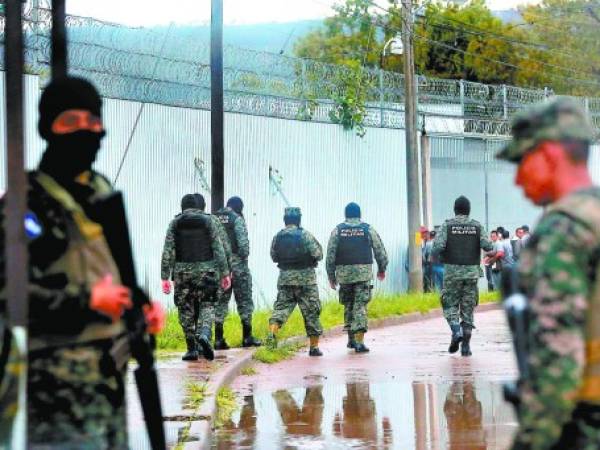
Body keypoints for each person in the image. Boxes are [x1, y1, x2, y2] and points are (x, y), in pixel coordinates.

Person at [0, 77, 165, 448]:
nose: (85, 131)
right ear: (48, 128)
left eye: (93, 121)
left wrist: (139, 307)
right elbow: (10, 297)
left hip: (109, 377)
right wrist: (87, 301)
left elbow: (114, 273)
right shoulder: (28, 202)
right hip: (55, 388)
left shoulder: (100, 191)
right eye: (70, 122)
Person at [499, 98, 600, 449]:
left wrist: (532, 441)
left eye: (522, 160)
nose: (517, 178)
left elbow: (558, 357)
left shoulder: (563, 230)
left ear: (550, 154)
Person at [161, 193, 231, 361]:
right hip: (207, 270)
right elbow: (218, 248)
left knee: (185, 309)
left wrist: (164, 276)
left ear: (182, 207)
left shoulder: (175, 223)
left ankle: (191, 349)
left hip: (182, 273)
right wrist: (225, 273)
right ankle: (205, 334)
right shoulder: (208, 221)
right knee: (207, 305)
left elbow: (168, 251)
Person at [432, 196, 493, 357]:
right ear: (469, 209)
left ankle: (455, 330)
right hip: (472, 274)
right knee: (468, 307)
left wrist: (436, 257)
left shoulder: (447, 225)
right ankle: (466, 346)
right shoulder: (477, 226)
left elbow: (438, 246)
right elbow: (489, 246)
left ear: (455, 209)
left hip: (452, 273)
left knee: (450, 304)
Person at [326, 202, 388, 353]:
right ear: (360, 214)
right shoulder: (367, 229)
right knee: (360, 306)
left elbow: (330, 256)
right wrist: (381, 268)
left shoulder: (337, 231)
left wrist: (331, 276)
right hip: (363, 274)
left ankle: (351, 339)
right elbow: (380, 251)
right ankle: (359, 342)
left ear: (345, 215)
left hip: (344, 275)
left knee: (348, 305)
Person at [267, 207, 324, 356]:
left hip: (285, 279)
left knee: (281, 309)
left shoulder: (278, 237)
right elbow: (318, 254)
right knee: (311, 312)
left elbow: (273, 256)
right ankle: (314, 347)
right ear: (299, 219)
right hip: (306, 280)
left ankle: (272, 332)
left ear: (285, 220)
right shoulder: (305, 235)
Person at [213, 196, 261, 349]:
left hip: (219, 267)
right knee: (244, 301)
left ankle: (218, 339)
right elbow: (244, 248)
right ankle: (247, 337)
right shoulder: (237, 219)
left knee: (220, 302)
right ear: (239, 207)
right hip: (238, 265)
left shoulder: (213, 219)